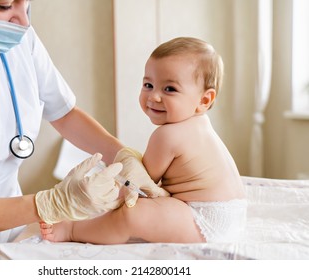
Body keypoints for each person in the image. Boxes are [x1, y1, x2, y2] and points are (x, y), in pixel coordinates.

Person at [0, 0, 168, 259]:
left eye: (26, 4)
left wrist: (123, 157)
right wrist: (50, 203)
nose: (23, 22)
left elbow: (65, 114)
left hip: (13, 236)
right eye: (3, 6)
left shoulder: (16, 40)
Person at [41, 37, 247, 244]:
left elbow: (137, 186)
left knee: (133, 212)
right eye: (148, 85)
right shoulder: (202, 124)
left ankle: (73, 230)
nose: (154, 96)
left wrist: (94, 202)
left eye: (169, 89)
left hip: (203, 219)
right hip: (234, 215)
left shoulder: (166, 136)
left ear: (204, 100)